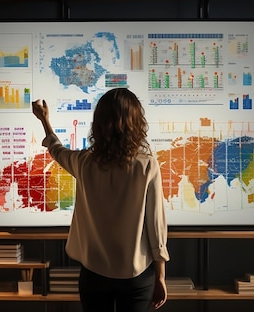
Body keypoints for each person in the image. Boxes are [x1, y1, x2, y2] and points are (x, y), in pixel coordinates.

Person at [32, 88, 170, 311]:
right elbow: (156, 225)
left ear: (99, 123)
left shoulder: (84, 163)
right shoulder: (147, 165)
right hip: (136, 275)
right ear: (137, 123)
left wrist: (44, 120)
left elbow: (57, 150)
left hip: (94, 274)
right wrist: (161, 276)